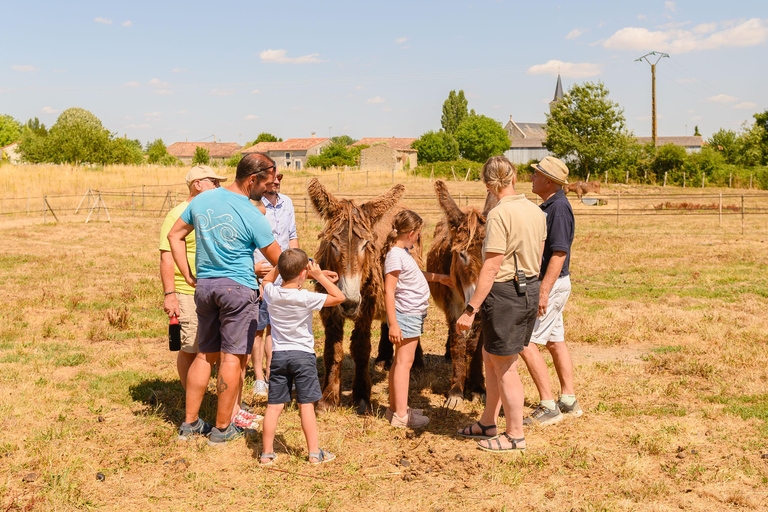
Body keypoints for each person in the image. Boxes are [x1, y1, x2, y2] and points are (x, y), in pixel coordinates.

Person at [168, 153, 281, 445]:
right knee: (232, 357)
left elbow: (174, 235)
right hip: (238, 290)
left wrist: (188, 273)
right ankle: (221, 428)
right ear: (252, 179)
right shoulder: (252, 214)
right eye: (266, 184)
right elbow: (279, 258)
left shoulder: (202, 200)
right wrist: (275, 277)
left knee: (205, 354)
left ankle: (190, 423)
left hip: (204, 288)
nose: (269, 190)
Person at [455, 155, 546, 452]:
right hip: (528, 287)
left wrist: (470, 309)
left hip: (506, 293)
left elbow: (491, 267)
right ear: (514, 176)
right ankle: (487, 422)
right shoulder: (536, 211)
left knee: (506, 366)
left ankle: (515, 434)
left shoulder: (498, 215)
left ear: (486, 184)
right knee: (490, 357)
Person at [259, 249, 344, 465]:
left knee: (274, 406)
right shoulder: (306, 297)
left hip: (278, 356)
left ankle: (266, 453)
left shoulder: (272, 293)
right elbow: (339, 296)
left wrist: (280, 265)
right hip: (303, 356)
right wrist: (320, 276)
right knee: (306, 405)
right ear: (303, 274)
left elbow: (267, 279)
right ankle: (314, 453)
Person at [520, 156, 581, 426]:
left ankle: (548, 405)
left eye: (536, 175)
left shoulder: (558, 209)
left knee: (525, 342)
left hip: (551, 283)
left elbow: (559, 253)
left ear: (549, 181)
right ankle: (568, 400)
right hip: (554, 283)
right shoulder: (551, 205)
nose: (532, 178)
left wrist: (543, 292)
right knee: (555, 342)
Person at [159, 165, 226, 393]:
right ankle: (192, 399)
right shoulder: (177, 215)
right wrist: (170, 295)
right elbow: (166, 258)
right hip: (186, 290)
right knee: (190, 346)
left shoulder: (211, 212)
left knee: (211, 345)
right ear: (197, 185)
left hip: (210, 289)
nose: (219, 186)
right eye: (213, 182)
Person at [383, 210, 452, 429]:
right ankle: (402, 416)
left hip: (410, 315)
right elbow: (388, 290)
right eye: (419, 233)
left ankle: (395, 409)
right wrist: (393, 323)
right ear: (412, 233)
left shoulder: (402, 253)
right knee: (405, 364)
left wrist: (438, 278)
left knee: (399, 362)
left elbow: (414, 275)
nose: (420, 237)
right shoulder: (395, 254)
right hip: (406, 315)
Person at [252, 171, 299, 398]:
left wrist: (296, 269)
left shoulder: (287, 202)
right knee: (258, 329)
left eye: (280, 176)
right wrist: (257, 274)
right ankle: (259, 378)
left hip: (283, 275)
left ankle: (274, 375)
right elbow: (250, 241)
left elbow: (292, 236)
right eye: (272, 178)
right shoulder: (253, 205)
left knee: (277, 327)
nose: (277, 181)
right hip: (261, 274)